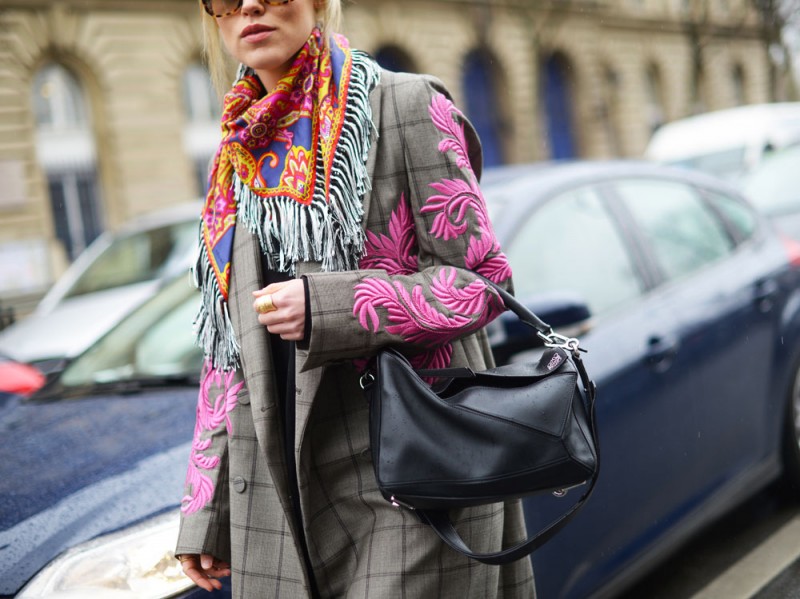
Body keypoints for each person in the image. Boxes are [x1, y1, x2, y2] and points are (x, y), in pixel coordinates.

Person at [175, 0, 536, 596]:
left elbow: (485, 282)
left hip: (412, 477)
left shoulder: (405, 105)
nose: (249, 6)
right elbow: (227, 348)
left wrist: (330, 307)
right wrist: (206, 508)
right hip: (278, 491)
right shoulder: (235, 152)